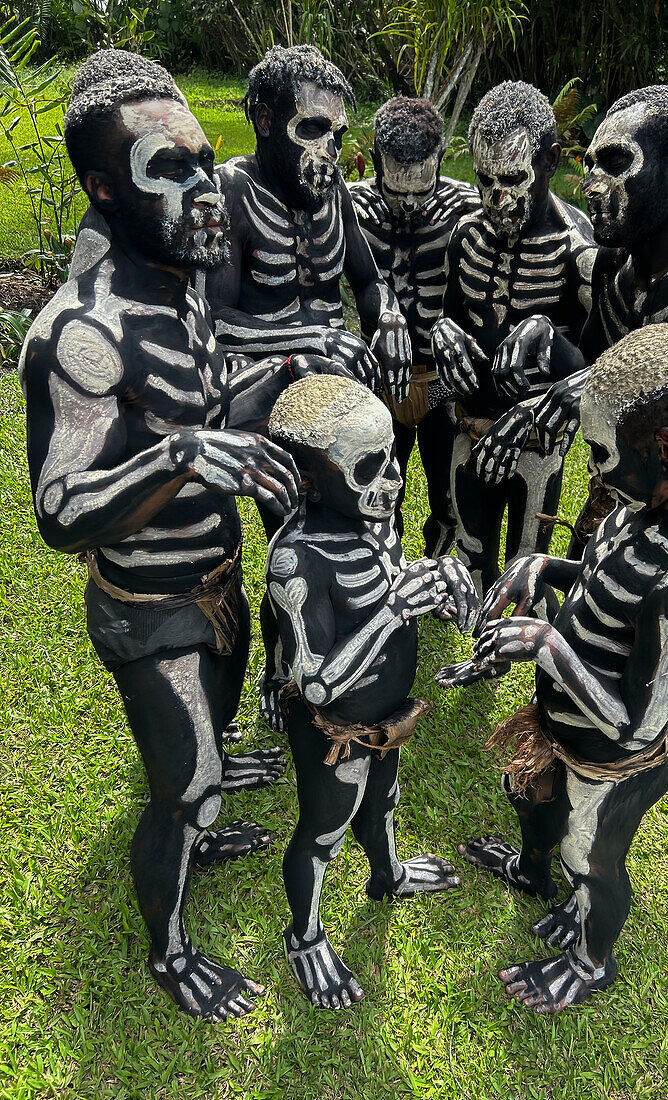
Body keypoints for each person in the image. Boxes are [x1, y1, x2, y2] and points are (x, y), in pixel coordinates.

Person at [22, 50, 332, 1022]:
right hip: (152, 610)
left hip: (219, 584)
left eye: (206, 160)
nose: (206, 189)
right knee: (188, 785)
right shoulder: (79, 334)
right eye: (170, 170)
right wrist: (186, 458)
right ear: (103, 187)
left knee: (212, 748)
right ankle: (169, 948)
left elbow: (192, 408)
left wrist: (279, 369)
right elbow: (61, 511)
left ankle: (198, 807)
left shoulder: (181, 278)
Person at [437, 324, 668, 1013]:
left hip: (611, 757)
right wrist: (544, 565)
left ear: (664, 448)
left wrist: (549, 648)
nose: (594, 466)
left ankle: (589, 961)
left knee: (590, 860)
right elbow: (601, 586)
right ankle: (531, 874)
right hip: (563, 727)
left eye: (601, 453)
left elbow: (639, 721)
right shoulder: (641, 509)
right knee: (528, 797)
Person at [477, 85, 668, 561]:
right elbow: (593, 367)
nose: (593, 183)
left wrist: (584, 394)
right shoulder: (611, 267)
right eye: (591, 165)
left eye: (616, 163)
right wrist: (548, 340)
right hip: (618, 490)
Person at [203, 44, 413, 724]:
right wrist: (301, 342)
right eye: (311, 130)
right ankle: (278, 661)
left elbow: (367, 278)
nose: (328, 148)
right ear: (264, 120)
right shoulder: (230, 195)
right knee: (292, 530)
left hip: (337, 387)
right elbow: (214, 321)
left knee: (373, 514)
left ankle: (361, 629)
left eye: (337, 133)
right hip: (263, 388)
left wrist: (387, 316)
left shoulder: (333, 200)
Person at [266, 374, 478, 1008]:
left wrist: (430, 577)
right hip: (336, 730)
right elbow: (316, 680)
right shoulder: (297, 560)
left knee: (383, 797)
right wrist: (393, 608)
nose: (393, 481)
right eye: (368, 469)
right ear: (309, 483)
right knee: (323, 830)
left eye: (391, 458)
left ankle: (385, 873)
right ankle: (303, 936)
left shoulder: (372, 519)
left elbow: (386, 580)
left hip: (387, 716)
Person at [430, 81, 596, 595]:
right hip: (471, 428)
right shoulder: (465, 237)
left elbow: (598, 370)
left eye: (514, 178)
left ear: (550, 162)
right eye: (484, 180)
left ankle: (515, 641)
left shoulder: (578, 250)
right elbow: (450, 313)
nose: (496, 198)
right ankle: (473, 635)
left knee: (526, 566)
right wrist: (442, 333)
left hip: (536, 442)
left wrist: (552, 342)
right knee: (471, 551)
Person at [350, 97, 480, 555]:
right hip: (383, 381)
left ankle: (441, 564)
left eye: (420, 191)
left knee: (448, 490)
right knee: (385, 487)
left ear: (440, 162)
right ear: (377, 161)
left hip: (440, 380)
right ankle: (387, 562)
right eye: (396, 190)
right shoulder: (352, 209)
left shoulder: (466, 208)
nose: (408, 206)